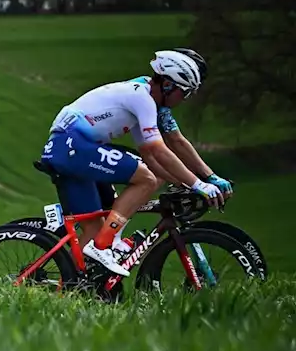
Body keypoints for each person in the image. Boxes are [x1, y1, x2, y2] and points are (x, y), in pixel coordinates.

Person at [39, 49, 224, 277]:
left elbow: (151, 153)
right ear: (167, 85)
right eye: (184, 93)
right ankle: (105, 245)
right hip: (71, 145)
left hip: (73, 148)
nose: (184, 99)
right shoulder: (142, 97)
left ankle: (69, 285)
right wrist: (198, 184)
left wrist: (189, 181)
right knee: (145, 179)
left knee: (96, 228)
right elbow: (159, 149)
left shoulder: (149, 101)